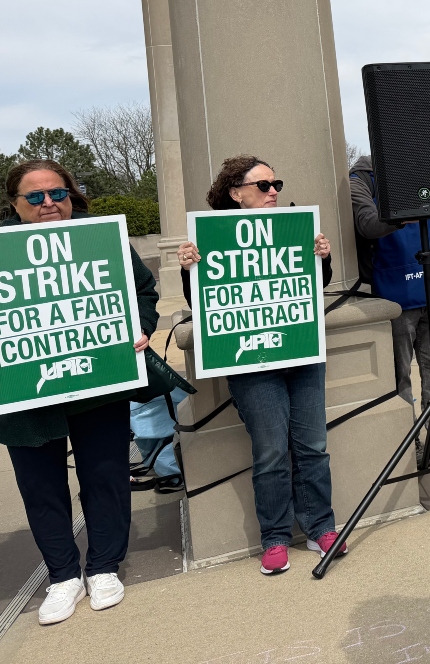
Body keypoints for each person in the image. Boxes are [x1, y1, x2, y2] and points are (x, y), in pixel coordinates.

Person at [1, 160, 159, 625]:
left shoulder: (102, 238)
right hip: (26, 395)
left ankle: (105, 566)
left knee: (106, 474)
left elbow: (144, 292)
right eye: (35, 197)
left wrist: (141, 328)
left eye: (58, 193)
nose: (49, 203)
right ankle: (64, 576)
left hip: (98, 380)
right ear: (15, 204)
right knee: (40, 487)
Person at [177, 155, 343, 576]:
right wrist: (189, 269)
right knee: (271, 450)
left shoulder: (293, 225)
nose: (274, 192)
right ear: (236, 193)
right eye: (264, 185)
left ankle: (321, 526)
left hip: (300, 351)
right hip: (250, 360)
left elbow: (312, 285)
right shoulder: (211, 237)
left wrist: (321, 258)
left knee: (313, 446)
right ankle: (275, 536)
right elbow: (203, 302)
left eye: (277, 185)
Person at [349, 154, 430, 465]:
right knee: (398, 375)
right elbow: (367, 224)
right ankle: (406, 443)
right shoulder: (361, 179)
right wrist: (403, 214)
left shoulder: (417, 169)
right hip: (394, 295)